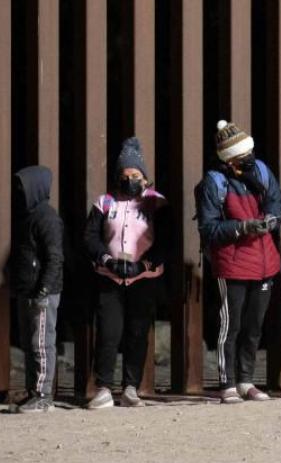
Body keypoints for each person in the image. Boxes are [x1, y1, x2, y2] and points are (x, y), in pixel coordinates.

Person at [196, 120, 281, 404]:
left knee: (254, 326)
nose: (249, 159)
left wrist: (271, 218)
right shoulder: (214, 183)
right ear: (229, 160)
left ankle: (246, 380)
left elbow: (276, 201)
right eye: (242, 156)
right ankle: (228, 383)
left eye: (250, 153)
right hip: (232, 264)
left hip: (264, 261)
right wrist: (242, 227)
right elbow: (208, 229)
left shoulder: (261, 171)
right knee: (230, 326)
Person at [84, 138, 169, 410]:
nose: (130, 180)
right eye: (124, 175)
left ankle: (131, 388)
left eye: (135, 175)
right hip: (109, 277)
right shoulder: (105, 202)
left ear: (144, 177)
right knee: (108, 333)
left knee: (137, 332)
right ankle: (103, 388)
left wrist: (143, 265)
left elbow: (167, 242)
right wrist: (107, 259)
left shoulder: (156, 203)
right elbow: (90, 237)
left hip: (143, 279)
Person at [9, 166, 64, 414]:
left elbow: (55, 257)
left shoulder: (47, 218)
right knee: (29, 343)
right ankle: (34, 392)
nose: (20, 192)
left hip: (42, 292)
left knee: (41, 343)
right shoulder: (29, 215)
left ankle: (43, 395)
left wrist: (44, 288)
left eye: (23, 187)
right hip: (29, 290)